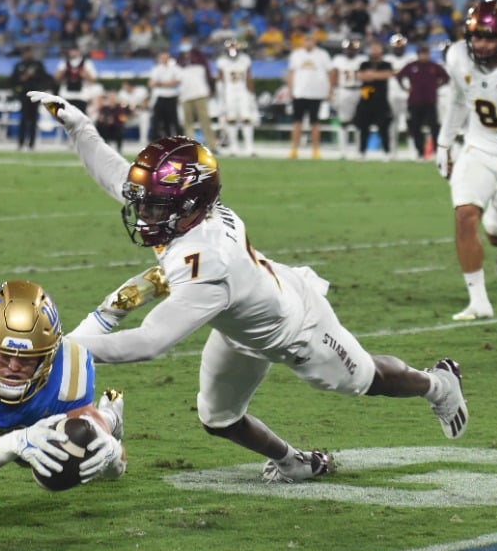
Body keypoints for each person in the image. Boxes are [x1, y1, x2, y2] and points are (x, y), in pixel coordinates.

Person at [27, 89, 470, 484]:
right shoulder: (190, 218)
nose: (144, 215)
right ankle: (295, 462)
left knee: (365, 379)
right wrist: (80, 126)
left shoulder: (205, 260)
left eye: (156, 206)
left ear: (190, 205)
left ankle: (437, 385)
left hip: (298, 329)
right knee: (218, 418)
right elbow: (118, 179)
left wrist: (64, 351)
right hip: (238, 320)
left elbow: (149, 342)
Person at [0, 279, 126, 483]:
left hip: (44, 418)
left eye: (26, 359)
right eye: (4, 355)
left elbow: (86, 426)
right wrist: (18, 441)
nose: (14, 366)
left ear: (48, 356)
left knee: (100, 461)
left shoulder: (67, 366)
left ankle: (111, 416)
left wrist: (110, 448)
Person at [436, 0, 497, 321]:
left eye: (489, 37)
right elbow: (460, 100)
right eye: (476, 36)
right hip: (478, 147)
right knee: (464, 215)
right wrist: (444, 143)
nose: (481, 44)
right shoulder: (458, 56)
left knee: (495, 228)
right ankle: (479, 301)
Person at [396, 44, 449, 161]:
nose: (424, 56)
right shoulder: (412, 66)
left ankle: (435, 151)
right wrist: (405, 88)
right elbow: (399, 76)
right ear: (418, 54)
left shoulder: (434, 66)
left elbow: (446, 77)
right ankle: (419, 151)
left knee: (434, 127)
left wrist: (437, 86)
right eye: (422, 53)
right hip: (415, 101)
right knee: (415, 127)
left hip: (430, 101)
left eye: (425, 53)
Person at [286, 32, 333, 159]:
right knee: (297, 122)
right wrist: (290, 89)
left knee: (315, 122)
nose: (308, 43)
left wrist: (330, 90)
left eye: (310, 40)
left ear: (314, 42)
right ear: (302, 42)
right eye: (306, 40)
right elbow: (291, 72)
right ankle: (294, 149)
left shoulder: (322, 55)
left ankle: (315, 150)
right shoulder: (296, 54)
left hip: (316, 93)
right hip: (299, 92)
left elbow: (330, 72)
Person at [214, 39, 258, 156]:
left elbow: (249, 77)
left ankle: (250, 147)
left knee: (246, 118)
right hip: (229, 91)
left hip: (243, 90)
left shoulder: (245, 59)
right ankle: (234, 147)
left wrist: (251, 95)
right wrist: (220, 95)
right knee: (231, 119)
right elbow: (220, 79)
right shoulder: (222, 61)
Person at [353, 40, 394, 160]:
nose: (375, 51)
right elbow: (359, 76)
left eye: (377, 48)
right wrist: (375, 75)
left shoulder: (386, 64)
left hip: (381, 100)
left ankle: (387, 152)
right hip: (366, 100)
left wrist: (371, 75)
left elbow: (386, 74)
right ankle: (362, 152)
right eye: (373, 48)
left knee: (383, 127)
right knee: (363, 128)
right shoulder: (364, 63)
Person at [9, 46, 51, 151]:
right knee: (23, 119)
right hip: (24, 95)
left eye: (28, 53)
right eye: (25, 53)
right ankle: (21, 143)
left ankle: (31, 144)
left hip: (35, 95)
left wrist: (34, 77)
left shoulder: (37, 65)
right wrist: (22, 78)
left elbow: (45, 78)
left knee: (33, 120)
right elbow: (12, 80)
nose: (27, 55)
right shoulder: (19, 66)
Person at [177, 39, 217, 146]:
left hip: (200, 94)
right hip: (185, 96)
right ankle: (190, 146)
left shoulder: (200, 60)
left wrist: (211, 88)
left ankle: (212, 145)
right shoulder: (179, 62)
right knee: (187, 123)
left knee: (205, 121)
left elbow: (209, 75)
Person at [330, 37, 365, 160]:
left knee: (359, 122)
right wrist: (332, 91)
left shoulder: (362, 60)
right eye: (349, 48)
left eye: (353, 48)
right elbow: (333, 74)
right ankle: (343, 151)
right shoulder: (338, 60)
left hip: (359, 90)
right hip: (343, 90)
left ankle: (359, 150)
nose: (350, 51)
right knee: (343, 122)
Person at [384, 34, 417, 159]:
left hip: (408, 94)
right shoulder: (387, 59)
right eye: (396, 45)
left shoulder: (411, 58)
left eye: (401, 45)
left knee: (411, 122)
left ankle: (413, 150)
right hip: (392, 94)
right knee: (392, 123)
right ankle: (392, 151)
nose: (399, 47)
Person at [148, 50, 182, 139]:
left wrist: (159, 84)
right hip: (160, 97)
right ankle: (155, 141)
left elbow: (176, 82)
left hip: (171, 97)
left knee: (174, 121)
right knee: (157, 121)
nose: (164, 59)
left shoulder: (175, 68)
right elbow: (151, 84)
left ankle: (179, 141)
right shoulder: (156, 68)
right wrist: (166, 84)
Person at [54, 46, 97, 115]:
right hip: (66, 95)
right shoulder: (64, 63)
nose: (73, 53)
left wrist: (86, 76)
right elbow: (56, 78)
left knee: (80, 118)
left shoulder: (86, 63)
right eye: (71, 51)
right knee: (66, 117)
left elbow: (93, 80)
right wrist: (60, 75)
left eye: (75, 51)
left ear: (78, 51)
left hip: (81, 96)